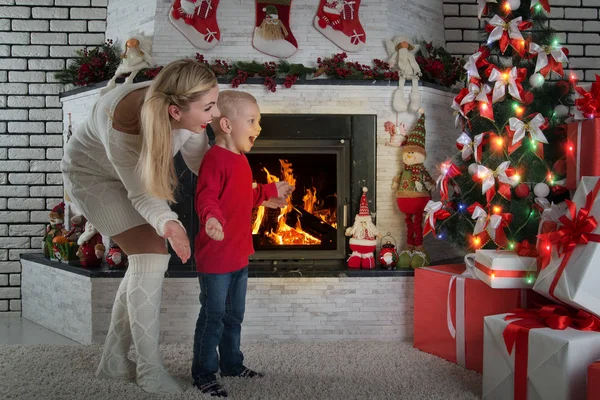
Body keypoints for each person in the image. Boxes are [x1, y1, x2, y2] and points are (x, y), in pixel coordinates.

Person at [61, 59, 221, 394]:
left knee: (147, 261)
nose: (215, 114)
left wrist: (245, 192)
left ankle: (114, 360)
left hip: (130, 181)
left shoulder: (179, 109)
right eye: (208, 107)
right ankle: (149, 370)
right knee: (151, 257)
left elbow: (200, 162)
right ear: (176, 112)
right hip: (94, 178)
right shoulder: (124, 120)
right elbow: (141, 194)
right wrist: (171, 225)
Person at [192, 90, 293, 397]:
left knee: (234, 317)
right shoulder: (215, 159)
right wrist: (210, 218)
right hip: (216, 260)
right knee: (213, 317)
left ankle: (232, 364)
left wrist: (268, 194)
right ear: (225, 125)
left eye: (257, 121)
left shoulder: (240, 161)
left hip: (238, 256)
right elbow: (207, 196)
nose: (258, 127)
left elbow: (242, 196)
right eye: (252, 121)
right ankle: (203, 372)